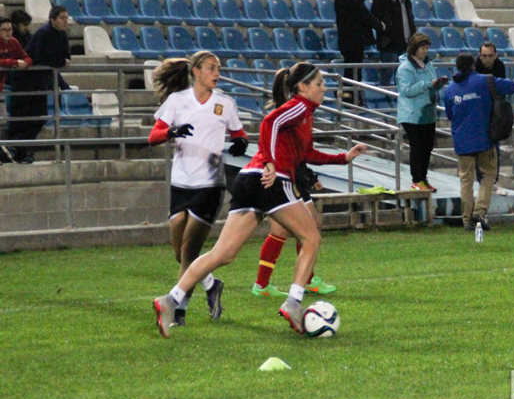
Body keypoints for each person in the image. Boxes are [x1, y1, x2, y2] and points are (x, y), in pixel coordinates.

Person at [152, 62, 367, 337]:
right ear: (302, 87)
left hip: (249, 179)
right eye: (319, 83)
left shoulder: (305, 115)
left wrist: (342, 158)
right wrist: (270, 161)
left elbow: (305, 153)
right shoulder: (300, 106)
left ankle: (169, 300)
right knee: (311, 238)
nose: (325, 88)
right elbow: (269, 122)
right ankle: (294, 303)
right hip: (270, 180)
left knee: (223, 254)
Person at [148, 51, 250, 327]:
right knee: (181, 254)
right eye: (210, 68)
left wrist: (240, 143)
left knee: (190, 248)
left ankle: (178, 310)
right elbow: (153, 136)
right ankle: (211, 285)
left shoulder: (225, 103)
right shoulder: (177, 101)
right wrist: (171, 133)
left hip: (210, 185)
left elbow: (240, 135)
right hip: (180, 183)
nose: (216, 73)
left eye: (218, 69)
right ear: (195, 71)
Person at [444, 53, 514, 231]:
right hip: (485, 138)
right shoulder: (485, 80)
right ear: (473, 65)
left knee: (466, 180)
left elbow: (449, 115)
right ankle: (480, 211)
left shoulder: (449, 90)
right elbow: (512, 87)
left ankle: (467, 220)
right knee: (488, 175)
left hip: (462, 141)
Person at [252, 163, 337, 297]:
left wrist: (310, 177)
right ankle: (263, 285)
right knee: (295, 231)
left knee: (300, 229)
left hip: (292, 178)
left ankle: (264, 284)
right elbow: (295, 154)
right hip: (285, 178)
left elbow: (298, 155)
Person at [5, 6, 71, 164]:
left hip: (40, 83)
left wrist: (60, 61)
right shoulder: (43, 33)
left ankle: (17, 147)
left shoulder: (62, 35)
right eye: (62, 17)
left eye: (66, 18)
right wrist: (60, 61)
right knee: (23, 119)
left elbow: (67, 57)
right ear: (52, 20)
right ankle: (16, 148)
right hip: (24, 82)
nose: (65, 21)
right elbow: (43, 58)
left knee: (38, 118)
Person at [396, 32, 448, 192]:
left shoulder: (429, 65)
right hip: (412, 116)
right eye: (422, 48)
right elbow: (407, 90)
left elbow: (431, 86)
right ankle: (416, 180)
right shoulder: (405, 68)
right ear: (414, 48)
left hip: (428, 114)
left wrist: (438, 84)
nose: (425, 51)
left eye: (427, 48)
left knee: (427, 147)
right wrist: (427, 84)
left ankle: (423, 178)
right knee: (417, 148)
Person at [334, 0, 384, 105]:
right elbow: (365, 16)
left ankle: (346, 93)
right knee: (356, 71)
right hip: (355, 41)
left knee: (349, 68)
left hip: (344, 40)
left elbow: (350, 1)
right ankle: (351, 97)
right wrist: (380, 25)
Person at [370, 0, 416, 88]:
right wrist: (386, 29)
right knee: (386, 75)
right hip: (389, 44)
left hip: (405, 42)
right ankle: (384, 102)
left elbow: (409, 16)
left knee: (403, 77)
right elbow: (375, 15)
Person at [473, 41, 508, 196]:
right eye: (484, 56)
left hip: (494, 112)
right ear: (480, 55)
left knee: (494, 147)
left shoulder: (499, 66)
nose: (487, 59)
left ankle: (493, 180)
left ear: (496, 55)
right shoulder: (474, 67)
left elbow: (501, 91)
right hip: (478, 111)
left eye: (490, 56)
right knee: (479, 149)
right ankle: (481, 180)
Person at [0, 16, 32, 162]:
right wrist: (13, 63)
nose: (8, 32)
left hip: (1, 87)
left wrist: (24, 63)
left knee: (2, 121)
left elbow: (27, 57)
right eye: (4, 30)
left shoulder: (14, 42)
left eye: (10, 29)